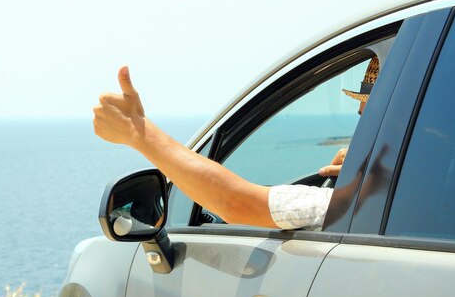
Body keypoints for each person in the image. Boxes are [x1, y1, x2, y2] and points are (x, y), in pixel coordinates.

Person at [93, 57, 379, 230]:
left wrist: (138, 133)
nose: (360, 117)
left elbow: (235, 203)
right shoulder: (407, 194)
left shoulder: (361, 202)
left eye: (368, 107)